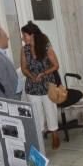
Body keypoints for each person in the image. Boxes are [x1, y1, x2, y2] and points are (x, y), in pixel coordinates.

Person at [20, 21, 60, 150]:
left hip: (47, 85)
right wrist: (31, 76)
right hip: (32, 87)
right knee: (36, 114)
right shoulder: (24, 49)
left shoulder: (46, 46)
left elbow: (56, 65)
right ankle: (40, 137)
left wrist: (43, 73)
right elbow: (24, 68)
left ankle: (55, 135)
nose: (23, 37)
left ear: (32, 35)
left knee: (50, 111)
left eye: (24, 35)